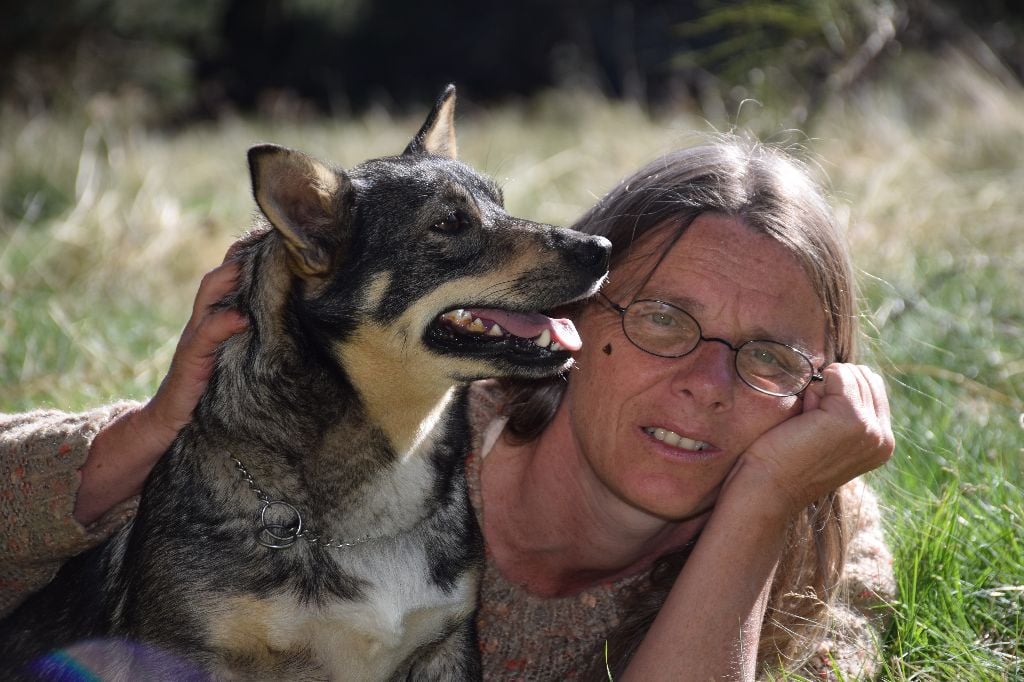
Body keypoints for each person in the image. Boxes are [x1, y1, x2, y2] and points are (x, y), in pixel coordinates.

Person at [1, 135, 895, 681]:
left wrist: (765, 508)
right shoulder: (398, 406)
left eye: (771, 356)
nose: (708, 381)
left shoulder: (821, 541)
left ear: (825, 385)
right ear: (571, 311)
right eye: (663, 318)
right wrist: (157, 430)